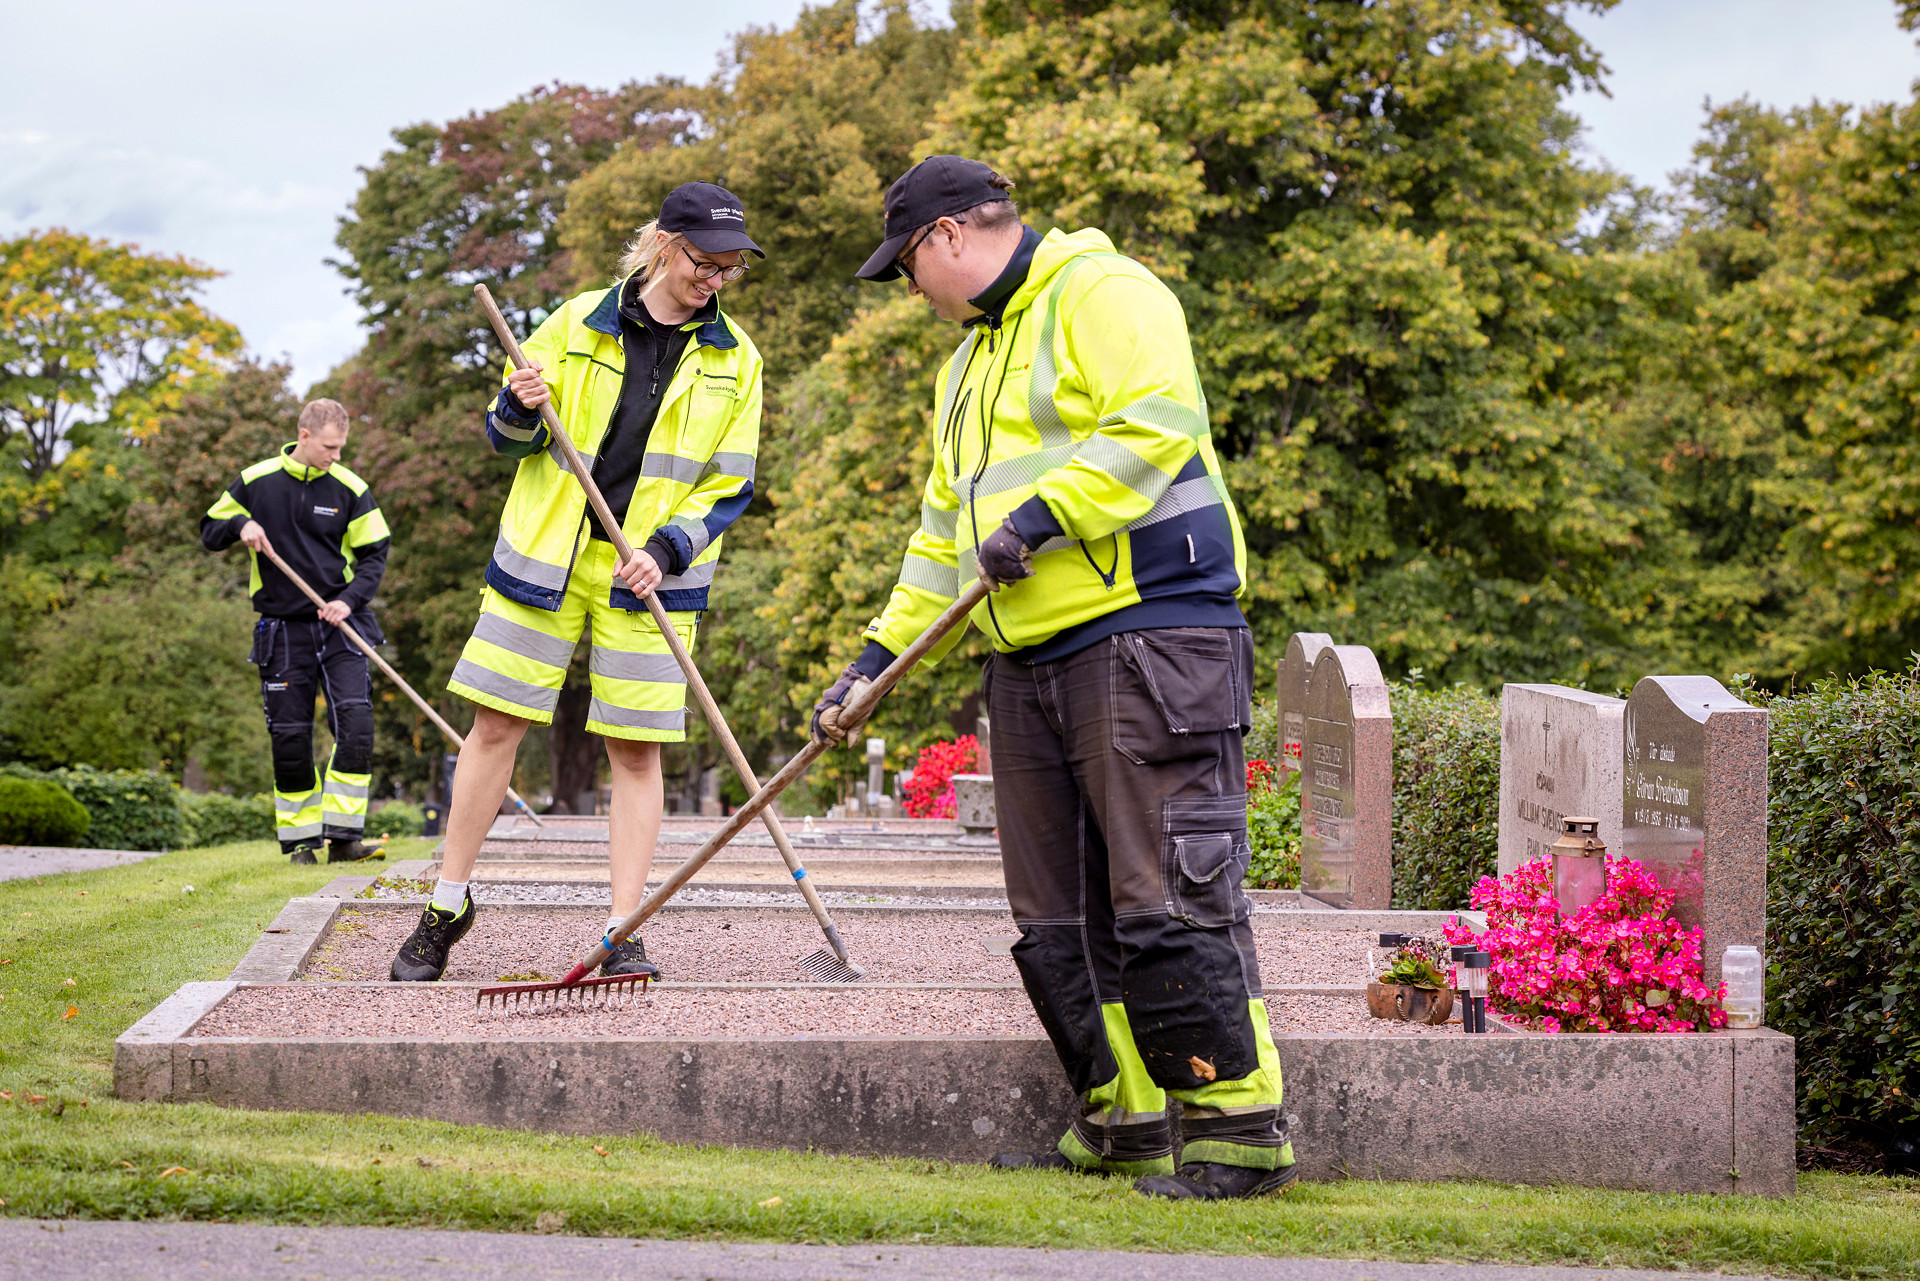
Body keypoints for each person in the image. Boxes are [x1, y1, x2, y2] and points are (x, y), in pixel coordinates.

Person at [813, 156, 1292, 1201]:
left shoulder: (1106, 292)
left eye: (905, 268)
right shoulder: (966, 370)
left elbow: (1158, 420)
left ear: (944, 239)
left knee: (1165, 889)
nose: (911, 291)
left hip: (1147, 633)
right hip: (1028, 657)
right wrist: (871, 661)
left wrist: (1040, 518)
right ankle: (1124, 1118)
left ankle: (1237, 1124)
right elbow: (943, 543)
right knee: (1060, 914)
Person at [388, 182, 765, 984]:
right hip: (545, 557)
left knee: (634, 751)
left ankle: (620, 929)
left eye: (730, 268)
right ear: (665, 244)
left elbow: (731, 485)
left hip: (650, 576)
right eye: (706, 261)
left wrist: (666, 550)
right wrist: (517, 405)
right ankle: (446, 904)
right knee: (495, 727)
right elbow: (508, 439)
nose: (716, 279)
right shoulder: (573, 321)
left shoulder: (740, 363)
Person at [202, 399, 391, 865]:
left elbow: (375, 555)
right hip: (282, 627)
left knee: (356, 725)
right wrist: (240, 523)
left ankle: (345, 839)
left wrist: (348, 600)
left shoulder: (351, 488)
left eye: (341, 447)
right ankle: (302, 844)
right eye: (329, 447)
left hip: (342, 623)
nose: (336, 456)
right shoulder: (255, 481)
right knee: (289, 734)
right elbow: (209, 529)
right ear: (304, 437)